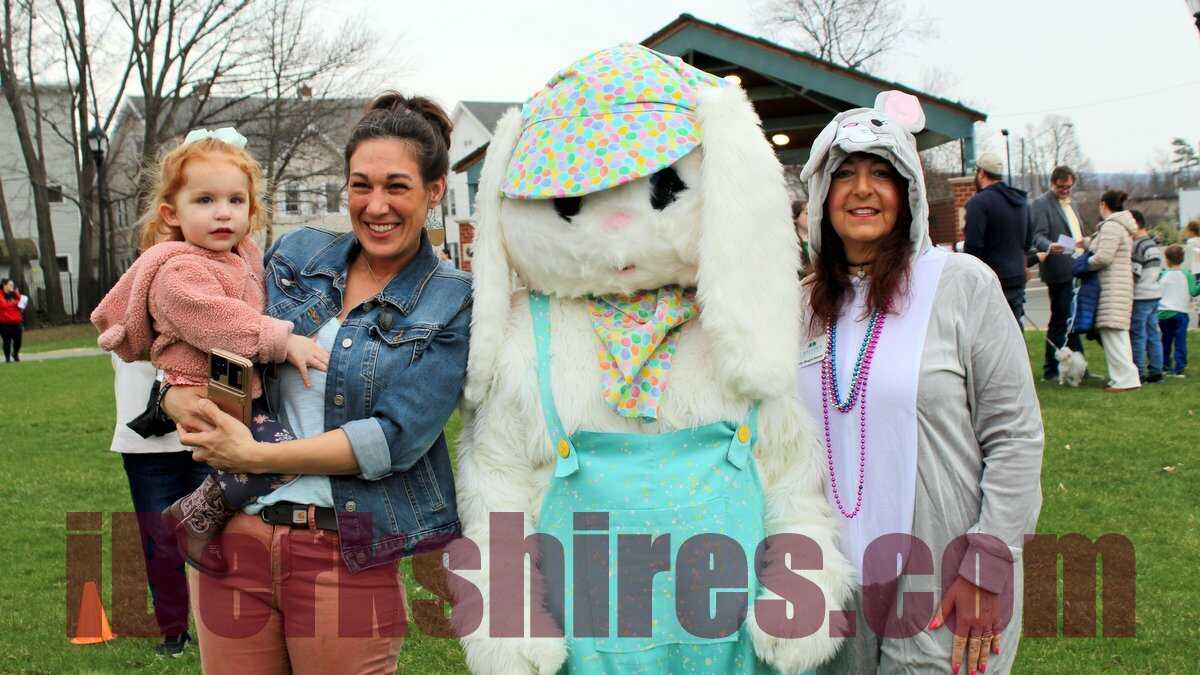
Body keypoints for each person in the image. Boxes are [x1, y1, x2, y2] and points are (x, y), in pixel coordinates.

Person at [160, 92, 470, 674]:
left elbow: (394, 439)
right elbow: (208, 327)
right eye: (361, 185)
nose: (376, 205)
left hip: (344, 555)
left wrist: (254, 455)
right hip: (236, 539)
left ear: (435, 190)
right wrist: (174, 394)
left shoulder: (452, 299)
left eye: (397, 186)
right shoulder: (293, 255)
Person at [798, 99, 1043, 675]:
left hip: (944, 582)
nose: (863, 189)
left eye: (881, 173)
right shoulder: (800, 305)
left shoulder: (961, 285)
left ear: (908, 190)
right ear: (822, 194)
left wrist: (987, 565)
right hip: (833, 588)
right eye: (844, 173)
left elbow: (1014, 434)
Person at [91, 128, 331, 574]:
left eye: (235, 201)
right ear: (172, 213)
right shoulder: (179, 270)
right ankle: (193, 518)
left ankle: (198, 518)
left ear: (251, 210)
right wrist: (282, 340)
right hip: (202, 390)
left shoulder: (238, 257)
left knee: (271, 459)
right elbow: (219, 322)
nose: (223, 213)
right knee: (278, 456)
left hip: (231, 390)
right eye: (204, 201)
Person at [110, 355, 212, 657]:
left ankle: (224, 628)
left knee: (216, 541)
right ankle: (173, 630)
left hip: (208, 431)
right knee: (160, 543)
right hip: (146, 442)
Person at [963, 152, 1033, 324]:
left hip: (991, 282)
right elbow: (1028, 242)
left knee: (990, 335)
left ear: (981, 173)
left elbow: (973, 247)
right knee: (1015, 331)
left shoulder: (978, 203)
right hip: (1017, 278)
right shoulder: (1021, 201)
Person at [1031, 166, 1086, 379]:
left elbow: (1076, 232)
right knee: (1060, 319)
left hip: (1077, 265)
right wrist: (1049, 245)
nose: (1065, 191)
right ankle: (1051, 368)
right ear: (1052, 183)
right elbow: (1038, 235)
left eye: (1069, 187)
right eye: (1061, 187)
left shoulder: (1073, 204)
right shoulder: (1041, 203)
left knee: (1073, 320)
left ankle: (1079, 367)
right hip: (1058, 268)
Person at [1086, 190, 1139, 392]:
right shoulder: (1122, 225)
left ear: (1103, 204)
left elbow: (1104, 257)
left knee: (1112, 334)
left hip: (1111, 286)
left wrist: (1085, 263)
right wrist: (1088, 242)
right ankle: (1126, 377)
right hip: (1121, 285)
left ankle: (1124, 379)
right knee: (1118, 333)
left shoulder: (1111, 225)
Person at [1128, 210, 1163, 383]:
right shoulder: (1152, 244)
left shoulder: (1138, 246)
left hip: (1141, 296)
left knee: (1138, 335)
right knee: (1153, 334)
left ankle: (1138, 371)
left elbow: (1135, 274)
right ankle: (1156, 371)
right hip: (1154, 294)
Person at [1158, 244, 1199, 377]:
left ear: (1167, 259)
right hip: (1181, 312)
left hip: (1163, 313)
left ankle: (1165, 366)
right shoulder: (1187, 275)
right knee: (1180, 341)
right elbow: (1193, 292)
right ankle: (1179, 368)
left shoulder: (1162, 274)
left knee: (1165, 340)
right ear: (1182, 259)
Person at [0, 278, 26, 362]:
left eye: (13, 285)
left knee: (18, 340)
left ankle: (15, 354)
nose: (12, 286)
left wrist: (16, 293)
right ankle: (7, 358)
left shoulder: (14, 294)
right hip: (4, 323)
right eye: (10, 285)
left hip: (16, 322)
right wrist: (14, 303)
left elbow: (22, 302)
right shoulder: (0, 294)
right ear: (4, 285)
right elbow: (3, 305)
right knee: (7, 341)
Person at [793, 198, 812, 272]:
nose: (811, 217)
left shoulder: (820, 240)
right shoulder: (792, 244)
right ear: (795, 218)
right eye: (807, 213)